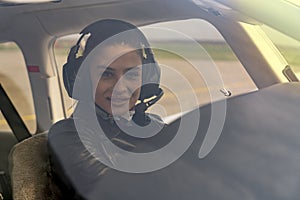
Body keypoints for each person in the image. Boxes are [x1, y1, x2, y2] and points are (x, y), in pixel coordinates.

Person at [48, 19, 165, 199]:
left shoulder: (153, 125)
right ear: (83, 80)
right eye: (107, 74)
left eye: (132, 74)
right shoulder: (68, 135)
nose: (120, 86)